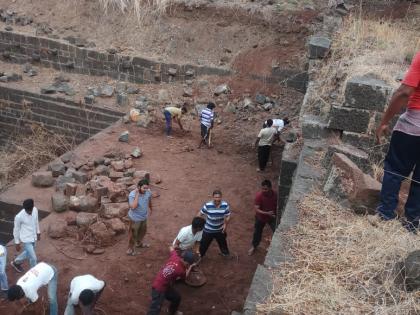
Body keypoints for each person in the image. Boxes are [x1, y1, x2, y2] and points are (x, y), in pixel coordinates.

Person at [375, 50, 420, 232]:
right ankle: (411, 224)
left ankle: (385, 215)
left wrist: (385, 121)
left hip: (414, 126)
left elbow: (404, 92)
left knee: (394, 170)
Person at [147, 250, 196, 315]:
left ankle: (172, 311)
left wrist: (173, 247)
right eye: (188, 264)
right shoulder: (180, 270)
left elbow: (171, 249)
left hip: (164, 284)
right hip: (159, 289)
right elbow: (185, 276)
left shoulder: (175, 257)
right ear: (185, 261)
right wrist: (190, 267)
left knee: (176, 298)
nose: (187, 265)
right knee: (155, 310)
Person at [198, 189, 231, 258]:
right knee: (204, 244)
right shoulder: (208, 205)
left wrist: (225, 224)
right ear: (213, 197)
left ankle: (225, 253)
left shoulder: (225, 205)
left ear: (221, 197)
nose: (217, 199)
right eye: (216, 197)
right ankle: (200, 256)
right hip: (208, 230)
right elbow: (200, 214)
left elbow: (228, 215)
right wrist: (198, 223)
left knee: (223, 243)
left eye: (219, 197)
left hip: (220, 229)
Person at [248, 180, 277, 255]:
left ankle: (274, 246)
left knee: (277, 231)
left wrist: (275, 214)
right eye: (262, 189)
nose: (264, 191)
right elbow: (256, 209)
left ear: (270, 188)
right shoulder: (259, 196)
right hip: (261, 218)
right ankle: (254, 246)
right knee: (257, 232)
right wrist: (267, 213)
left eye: (266, 189)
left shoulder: (275, 194)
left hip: (272, 217)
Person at [11, 199, 40, 272]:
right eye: (28, 210)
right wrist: (17, 242)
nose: (30, 212)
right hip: (26, 239)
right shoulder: (19, 217)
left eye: (31, 210)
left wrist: (38, 232)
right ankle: (34, 273)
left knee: (28, 252)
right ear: (24, 208)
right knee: (33, 258)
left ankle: (16, 262)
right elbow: (16, 229)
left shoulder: (35, 210)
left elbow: (36, 221)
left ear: (33, 207)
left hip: (33, 237)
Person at [127, 179, 153, 256]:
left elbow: (149, 200)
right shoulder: (132, 195)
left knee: (143, 231)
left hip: (143, 217)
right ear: (138, 187)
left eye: (147, 188)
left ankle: (138, 243)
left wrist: (151, 208)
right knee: (133, 234)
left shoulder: (148, 192)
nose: (146, 190)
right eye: (144, 188)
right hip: (135, 219)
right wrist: (137, 194)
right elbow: (133, 207)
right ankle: (130, 250)